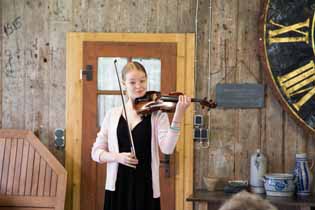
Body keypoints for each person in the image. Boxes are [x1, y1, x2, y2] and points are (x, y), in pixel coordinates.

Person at [91, 61, 191, 210]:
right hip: (118, 187)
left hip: (146, 187)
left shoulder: (156, 113)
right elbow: (96, 153)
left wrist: (178, 116)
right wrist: (117, 157)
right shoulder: (112, 115)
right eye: (132, 82)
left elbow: (167, 148)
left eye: (142, 81)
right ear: (124, 84)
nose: (139, 86)